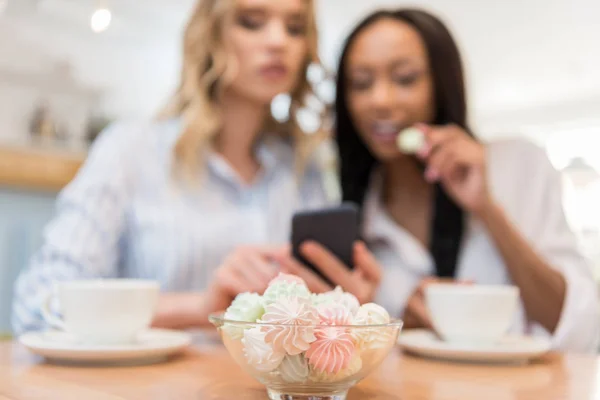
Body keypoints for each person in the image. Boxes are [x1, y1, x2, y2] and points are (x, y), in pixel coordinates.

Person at [12, 0, 333, 334]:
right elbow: (39, 303)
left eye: (295, 28)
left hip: (266, 384)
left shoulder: (304, 168)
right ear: (211, 35)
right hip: (145, 383)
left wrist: (344, 301)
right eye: (251, 22)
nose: (278, 41)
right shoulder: (132, 150)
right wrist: (201, 307)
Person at [294, 9, 600, 352]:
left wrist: (485, 208)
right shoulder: (353, 212)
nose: (380, 100)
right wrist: (399, 326)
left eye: (405, 78)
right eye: (361, 83)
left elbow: (578, 325)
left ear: (442, 83)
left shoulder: (517, 163)